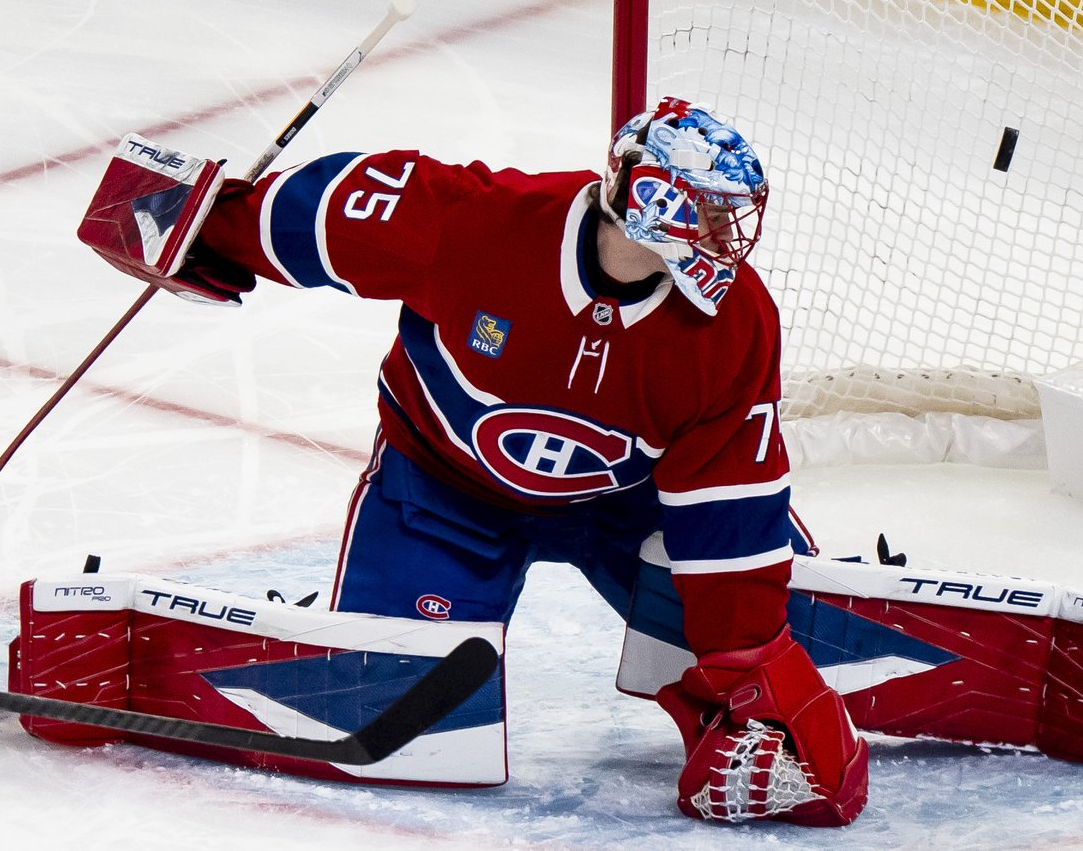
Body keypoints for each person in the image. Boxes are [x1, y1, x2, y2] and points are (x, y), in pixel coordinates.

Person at [82, 96, 869, 825]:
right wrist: (205, 226)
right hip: (445, 490)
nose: (727, 239)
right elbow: (333, 214)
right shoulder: (483, 224)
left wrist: (745, 657)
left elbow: (727, 500)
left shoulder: (734, 324)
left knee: (790, 632)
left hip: (632, 507)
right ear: (651, 199)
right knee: (403, 714)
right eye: (707, 211)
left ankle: (753, 639)